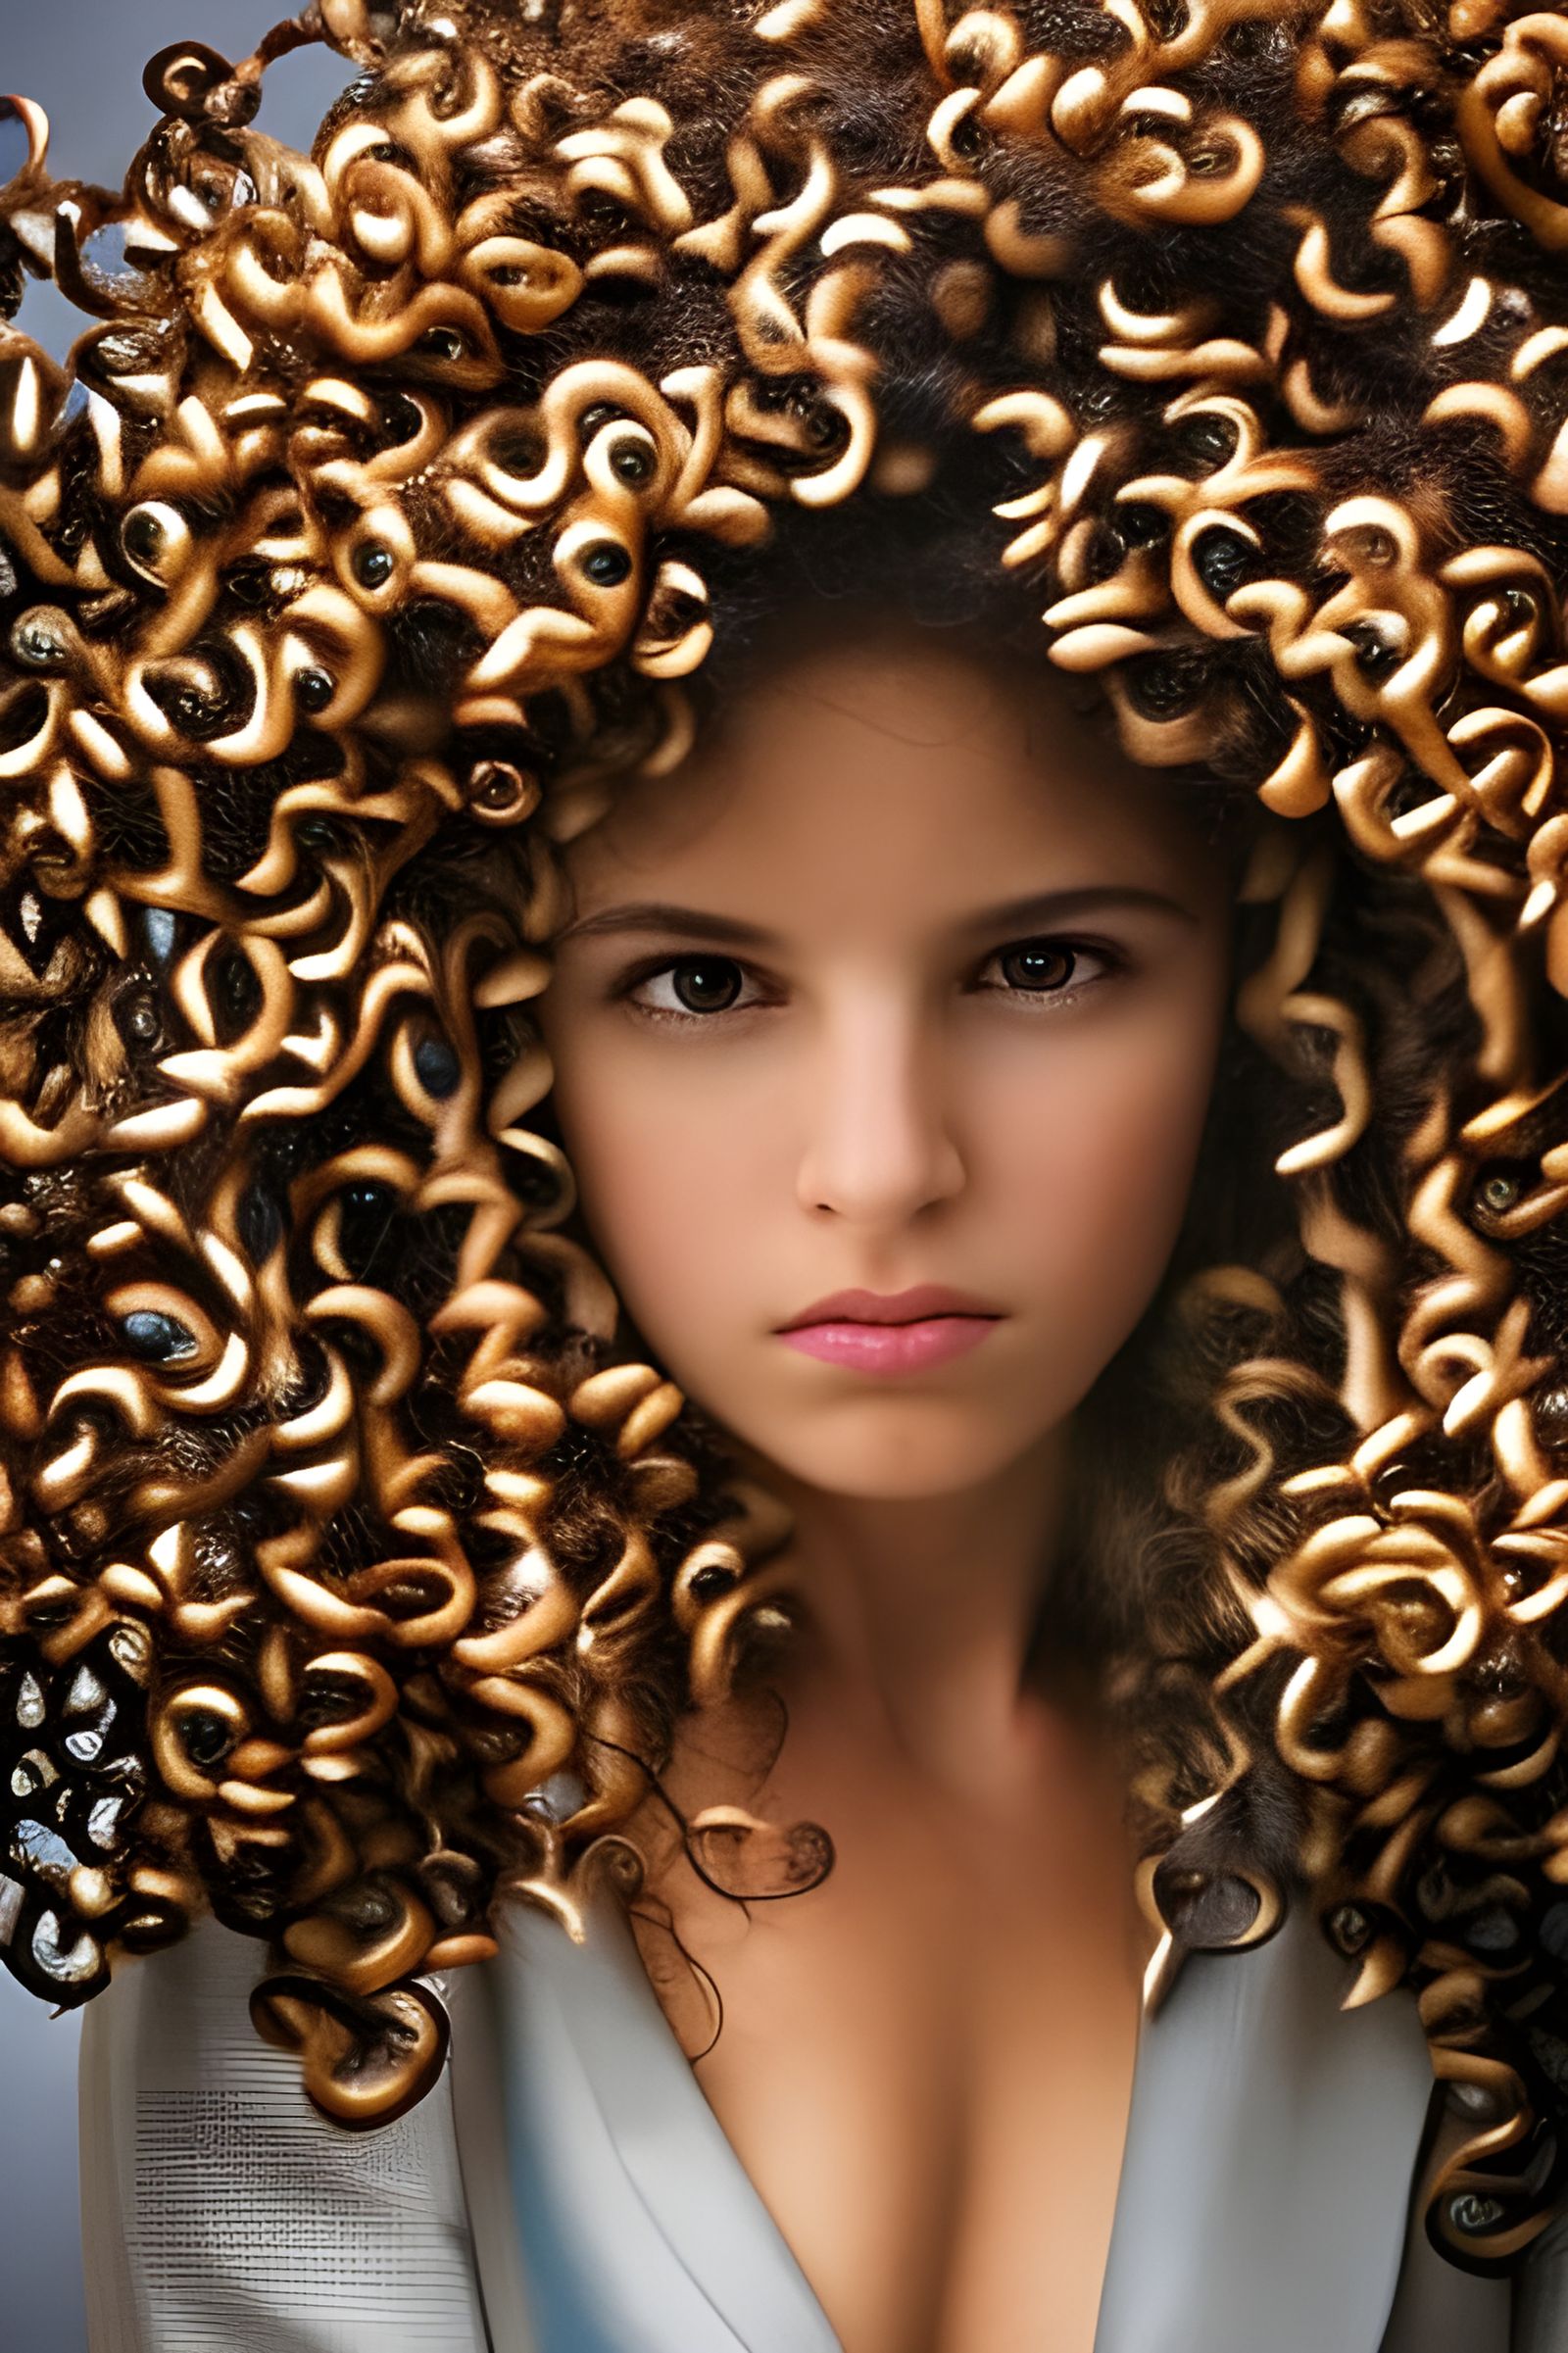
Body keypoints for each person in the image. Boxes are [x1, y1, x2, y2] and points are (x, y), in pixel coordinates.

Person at [5, 0, 1568, 2346]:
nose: (881, 1167)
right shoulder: (325, 1877)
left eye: (1041, 965)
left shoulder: (1460, 1801)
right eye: (701, 988)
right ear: (446, 1034)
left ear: (1313, 993)